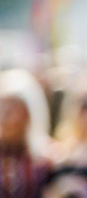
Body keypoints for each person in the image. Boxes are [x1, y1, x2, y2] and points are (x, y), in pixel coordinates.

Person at [0, 70, 52, 198]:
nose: (5, 115)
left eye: (13, 107)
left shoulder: (46, 159)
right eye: (2, 106)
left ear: (28, 112)